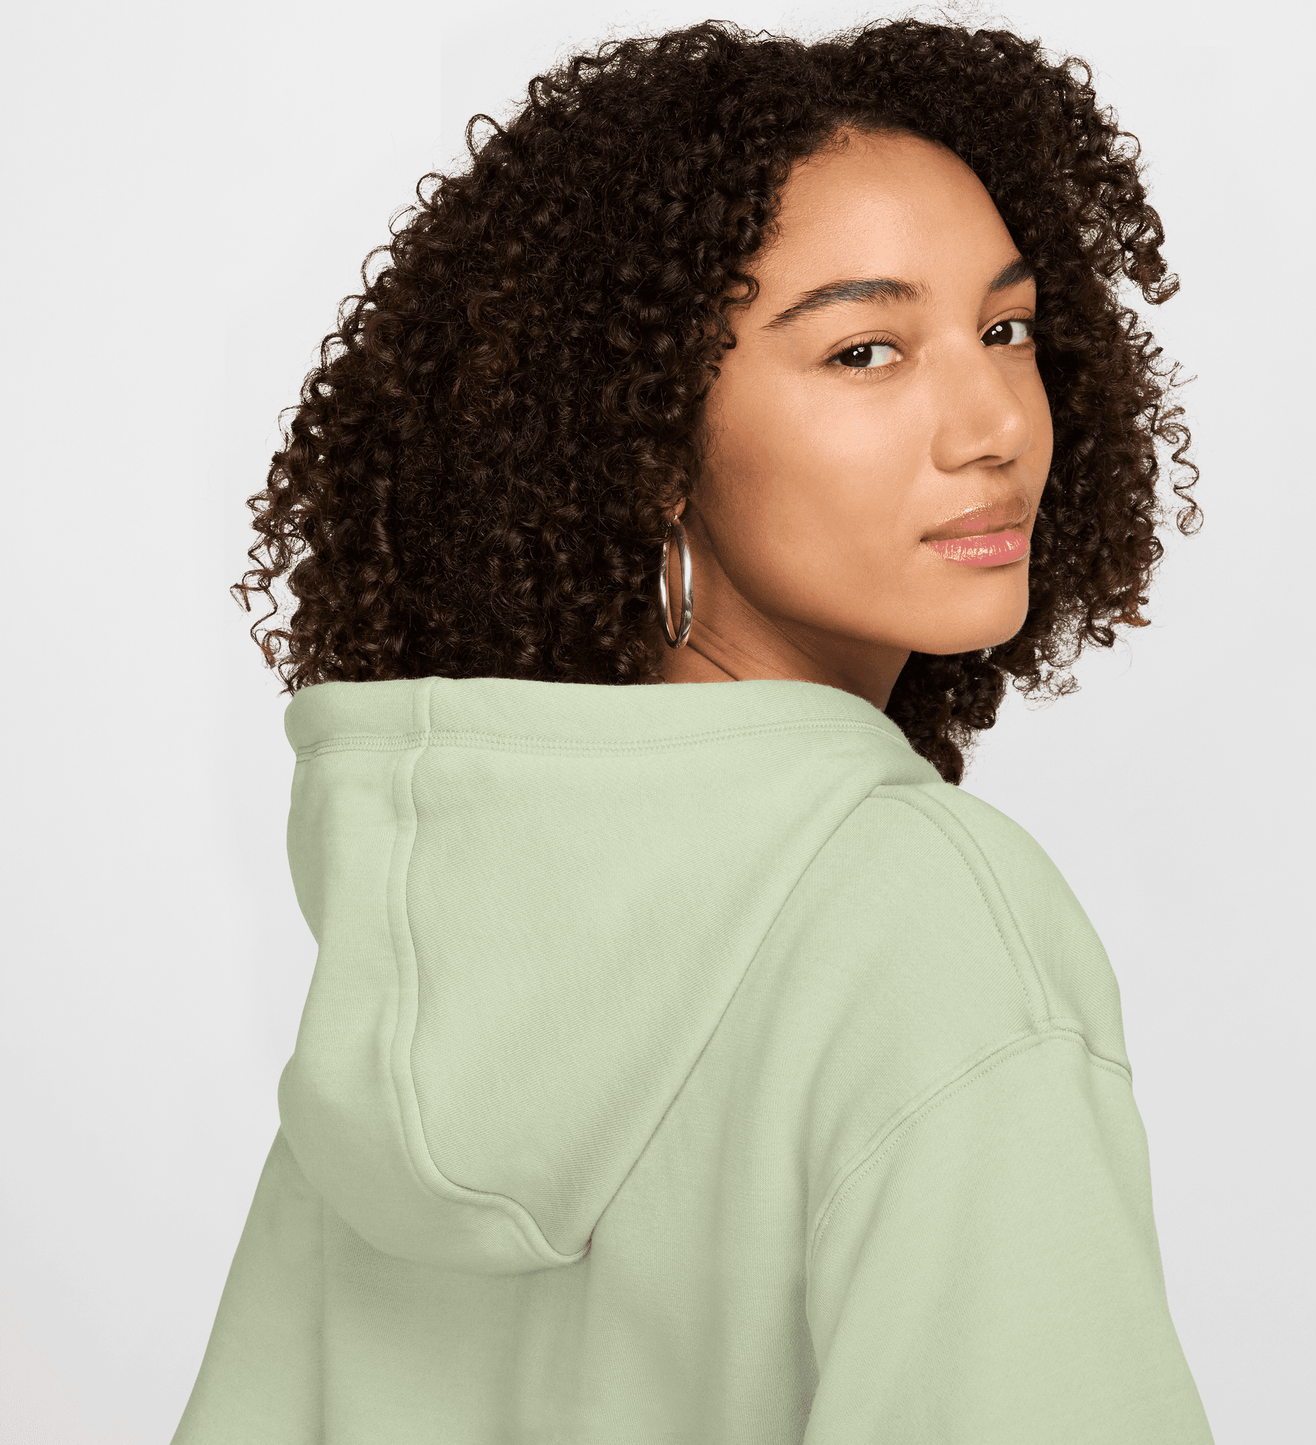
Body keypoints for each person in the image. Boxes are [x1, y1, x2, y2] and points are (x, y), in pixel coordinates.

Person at [172, 16, 1212, 1443]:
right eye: (865, 350)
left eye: (1007, 329)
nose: (994, 426)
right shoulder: (921, 919)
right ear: (647, 439)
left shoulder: (435, 931)